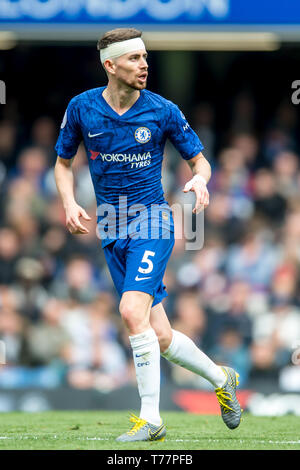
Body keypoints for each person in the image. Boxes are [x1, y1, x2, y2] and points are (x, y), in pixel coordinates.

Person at [54, 27, 242, 442]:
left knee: (129, 312)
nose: (144, 64)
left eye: (145, 57)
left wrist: (201, 181)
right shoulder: (82, 108)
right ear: (111, 65)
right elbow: (63, 163)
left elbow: (200, 161)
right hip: (110, 227)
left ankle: (151, 419)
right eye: (135, 58)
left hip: (153, 221)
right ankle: (221, 377)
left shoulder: (163, 110)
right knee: (158, 334)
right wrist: (68, 202)